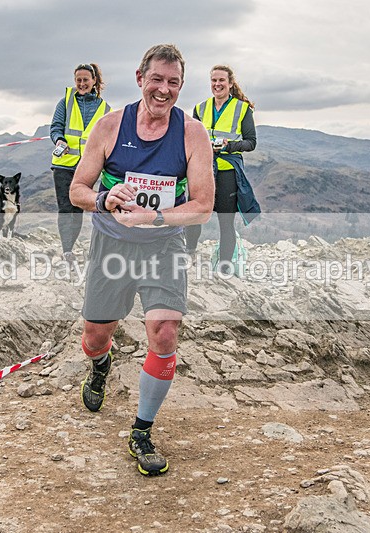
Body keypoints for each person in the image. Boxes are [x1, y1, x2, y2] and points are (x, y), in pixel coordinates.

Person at [69, 44, 214, 476]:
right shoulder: (111, 126)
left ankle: (142, 431)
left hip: (163, 246)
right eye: (157, 80)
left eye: (173, 83)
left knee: (165, 332)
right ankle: (100, 366)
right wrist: (102, 198)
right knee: (96, 336)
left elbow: (204, 205)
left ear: (181, 87)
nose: (164, 90)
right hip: (112, 246)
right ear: (139, 78)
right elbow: (77, 189)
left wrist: (154, 217)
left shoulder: (192, 134)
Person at [184, 65, 260, 274]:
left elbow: (251, 142)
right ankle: (189, 255)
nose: (217, 85)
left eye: (221, 81)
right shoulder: (200, 109)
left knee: (226, 222)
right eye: (214, 81)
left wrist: (229, 146)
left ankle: (225, 269)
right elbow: (190, 139)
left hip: (227, 171)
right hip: (203, 169)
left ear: (230, 83)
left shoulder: (242, 109)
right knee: (194, 215)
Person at [50, 63, 111, 264]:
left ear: (94, 81)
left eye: (86, 80)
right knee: (66, 207)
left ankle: (87, 246)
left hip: (88, 167)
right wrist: (59, 139)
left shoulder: (105, 109)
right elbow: (55, 127)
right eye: (78, 80)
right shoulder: (65, 102)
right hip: (63, 164)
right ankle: (67, 249)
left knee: (80, 206)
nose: (82, 84)